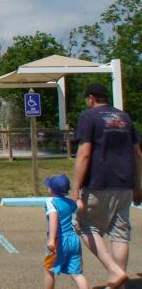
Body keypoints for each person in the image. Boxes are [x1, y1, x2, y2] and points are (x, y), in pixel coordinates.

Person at [71, 83, 141, 289]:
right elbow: (137, 152)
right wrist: (138, 184)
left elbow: (84, 152)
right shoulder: (124, 118)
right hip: (125, 182)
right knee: (120, 232)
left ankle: (114, 271)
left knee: (84, 225)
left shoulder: (88, 116)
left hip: (99, 181)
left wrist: (75, 189)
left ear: (91, 98)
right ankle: (118, 283)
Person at [43, 174, 88, 289]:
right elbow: (81, 206)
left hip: (59, 241)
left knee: (49, 270)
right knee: (77, 274)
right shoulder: (70, 202)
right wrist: (79, 199)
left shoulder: (51, 202)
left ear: (51, 189)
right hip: (73, 240)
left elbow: (53, 218)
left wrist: (52, 239)